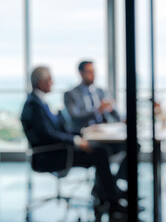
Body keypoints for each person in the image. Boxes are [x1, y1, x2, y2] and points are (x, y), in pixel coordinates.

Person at [20, 66, 126, 219]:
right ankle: (112, 201)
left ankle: (107, 196)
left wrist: (83, 133)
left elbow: (56, 130)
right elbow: (48, 135)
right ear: (42, 83)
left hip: (57, 150)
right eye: (50, 80)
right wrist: (77, 141)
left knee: (101, 150)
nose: (52, 82)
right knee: (101, 153)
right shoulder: (34, 106)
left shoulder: (39, 102)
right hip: (51, 155)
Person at [64, 60, 120, 134]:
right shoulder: (71, 94)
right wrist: (97, 110)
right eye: (89, 72)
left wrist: (122, 119)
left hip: (102, 130)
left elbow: (110, 110)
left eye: (94, 72)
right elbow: (75, 116)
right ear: (81, 73)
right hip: (84, 132)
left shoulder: (100, 91)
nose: (93, 75)